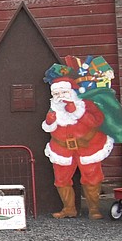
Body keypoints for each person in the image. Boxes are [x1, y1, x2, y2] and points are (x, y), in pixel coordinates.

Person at [43, 77, 113, 219]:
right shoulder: (54, 109)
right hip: (62, 149)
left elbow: (97, 121)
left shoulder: (85, 105)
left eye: (63, 92)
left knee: (92, 178)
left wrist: (77, 112)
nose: (60, 96)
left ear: (71, 92)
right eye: (56, 94)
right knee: (61, 179)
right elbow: (49, 127)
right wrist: (49, 122)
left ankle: (94, 209)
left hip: (88, 147)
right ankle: (69, 209)